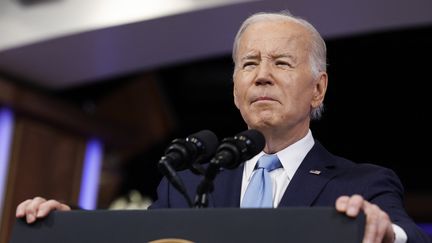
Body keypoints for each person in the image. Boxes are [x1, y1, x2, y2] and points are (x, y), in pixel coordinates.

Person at [16, 11, 430, 243]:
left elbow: (408, 234)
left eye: (281, 63)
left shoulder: (363, 184)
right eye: (249, 64)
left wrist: (385, 232)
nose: (262, 76)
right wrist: (72, 225)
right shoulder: (188, 182)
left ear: (318, 89)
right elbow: (141, 237)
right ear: (235, 88)